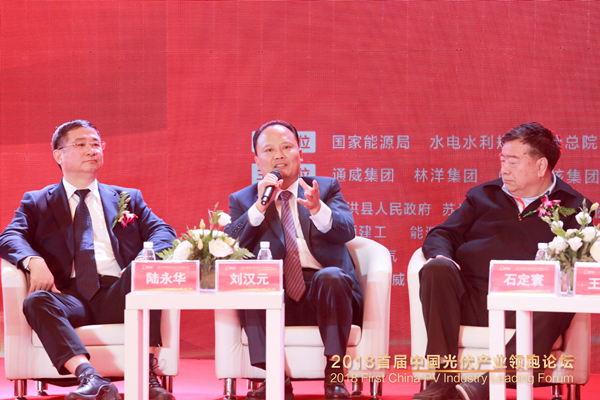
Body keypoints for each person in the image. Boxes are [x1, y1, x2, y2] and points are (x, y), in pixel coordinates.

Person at [0, 120, 177, 400]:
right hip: (69, 296)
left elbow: (164, 232)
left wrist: (143, 259)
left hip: (119, 291)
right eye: (81, 143)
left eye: (96, 144)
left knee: (145, 273)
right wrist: (33, 261)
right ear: (59, 155)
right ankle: (90, 378)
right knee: (36, 301)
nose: (91, 150)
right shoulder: (37, 202)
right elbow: (9, 236)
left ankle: (146, 376)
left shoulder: (127, 198)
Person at [414, 122, 591, 400]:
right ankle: (442, 380)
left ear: (541, 165)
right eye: (502, 160)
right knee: (437, 268)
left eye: (513, 161)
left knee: (557, 300)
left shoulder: (574, 208)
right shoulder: (482, 196)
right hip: (473, 300)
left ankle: (484, 386)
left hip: (527, 309)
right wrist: (442, 256)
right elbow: (442, 233)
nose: (504, 169)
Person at [224, 120, 363, 400]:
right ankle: (276, 378)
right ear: (257, 160)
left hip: (326, 293)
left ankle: (335, 375)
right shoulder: (244, 199)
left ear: (301, 152)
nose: (279, 155)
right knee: (252, 282)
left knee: (331, 276)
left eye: (286, 147)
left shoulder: (324, 188)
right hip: (275, 295)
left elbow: (347, 230)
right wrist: (260, 207)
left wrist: (318, 208)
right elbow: (229, 246)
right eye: (269, 150)